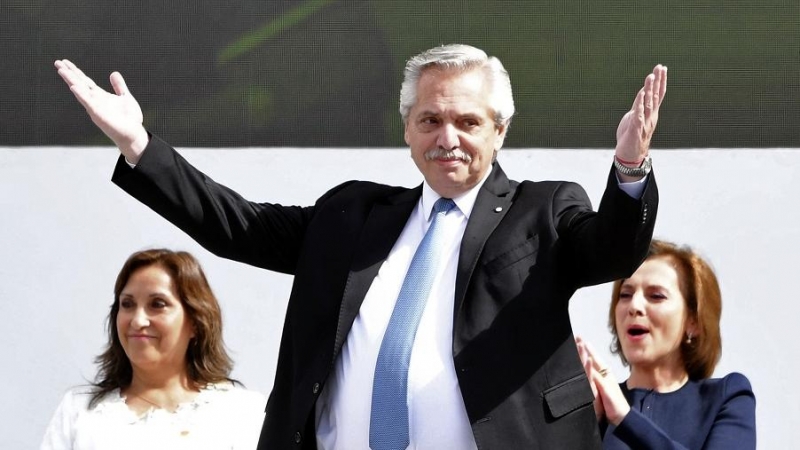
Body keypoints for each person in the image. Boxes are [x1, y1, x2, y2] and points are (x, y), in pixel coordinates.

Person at [54, 44, 666, 449]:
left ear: (500, 130)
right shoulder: (356, 216)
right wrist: (139, 144)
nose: (446, 137)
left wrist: (630, 168)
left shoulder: (543, 209)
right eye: (429, 120)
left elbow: (610, 250)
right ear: (407, 129)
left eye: (467, 122)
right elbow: (238, 225)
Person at [40, 249, 266, 450]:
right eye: (127, 304)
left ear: (196, 322)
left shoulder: (242, 412)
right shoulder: (79, 409)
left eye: (157, 304)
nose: (138, 320)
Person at [576, 239, 756, 449]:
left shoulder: (726, 397)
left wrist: (626, 419)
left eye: (656, 296)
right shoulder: (592, 410)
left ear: (694, 321)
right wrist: (586, 426)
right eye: (625, 295)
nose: (634, 306)